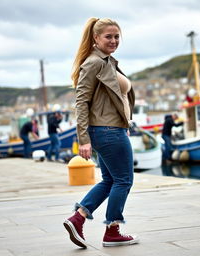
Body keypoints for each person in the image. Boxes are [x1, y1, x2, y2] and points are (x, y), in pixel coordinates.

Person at [63, 17, 139, 248]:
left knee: (110, 180)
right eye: (108, 36)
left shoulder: (107, 61)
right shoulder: (94, 63)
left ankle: (78, 218)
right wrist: (83, 139)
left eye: (117, 36)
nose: (114, 40)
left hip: (112, 129)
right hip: (107, 131)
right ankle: (112, 231)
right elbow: (81, 102)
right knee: (124, 180)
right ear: (96, 38)